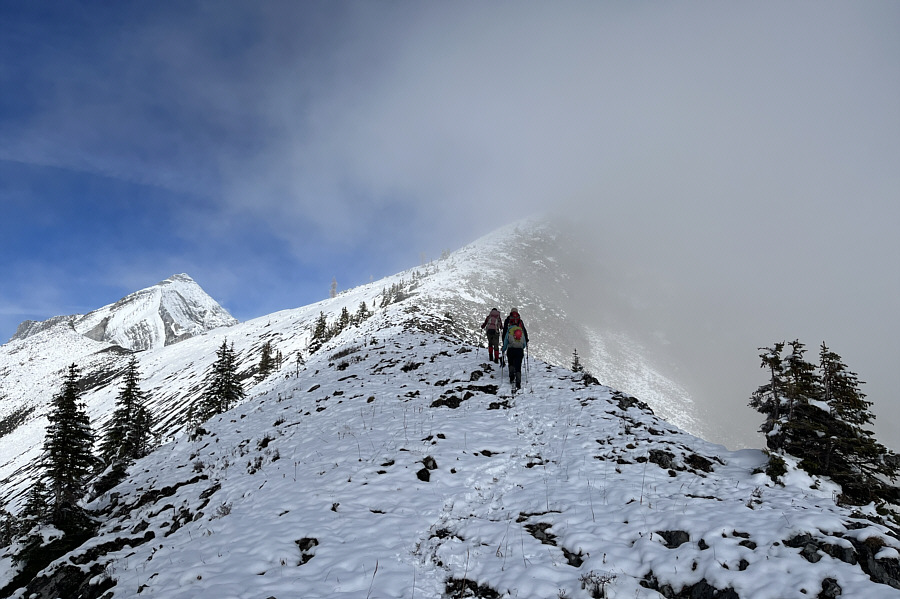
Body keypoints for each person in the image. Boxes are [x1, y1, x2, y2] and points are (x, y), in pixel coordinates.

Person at [501, 308, 529, 390]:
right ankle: (518, 382)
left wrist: (504, 347)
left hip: (511, 348)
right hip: (519, 349)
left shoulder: (508, 324)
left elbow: (505, 336)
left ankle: (511, 377)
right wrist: (523, 345)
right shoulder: (520, 324)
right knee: (518, 365)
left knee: (511, 362)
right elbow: (524, 334)